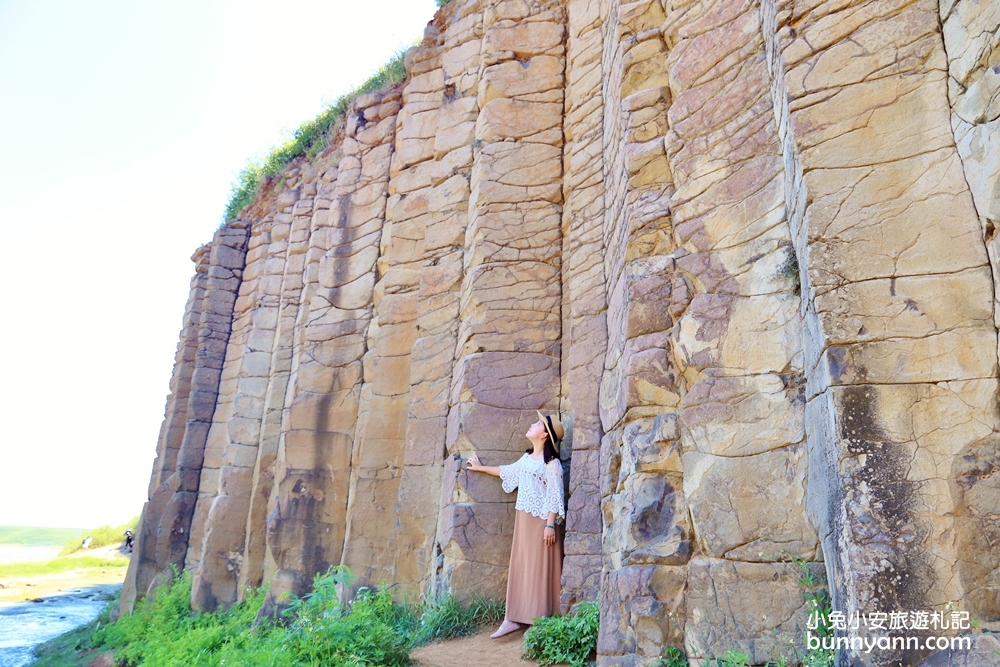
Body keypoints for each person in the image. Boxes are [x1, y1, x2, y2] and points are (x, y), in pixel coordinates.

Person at [465, 410, 566, 639]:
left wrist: (550, 526)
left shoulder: (553, 465)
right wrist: (480, 467)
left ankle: (538, 619)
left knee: (540, 568)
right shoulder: (526, 459)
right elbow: (506, 471)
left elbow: (555, 495)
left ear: (544, 435)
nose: (532, 424)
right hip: (524, 519)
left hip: (542, 523)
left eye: (538, 423)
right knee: (521, 565)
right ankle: (512, 618)